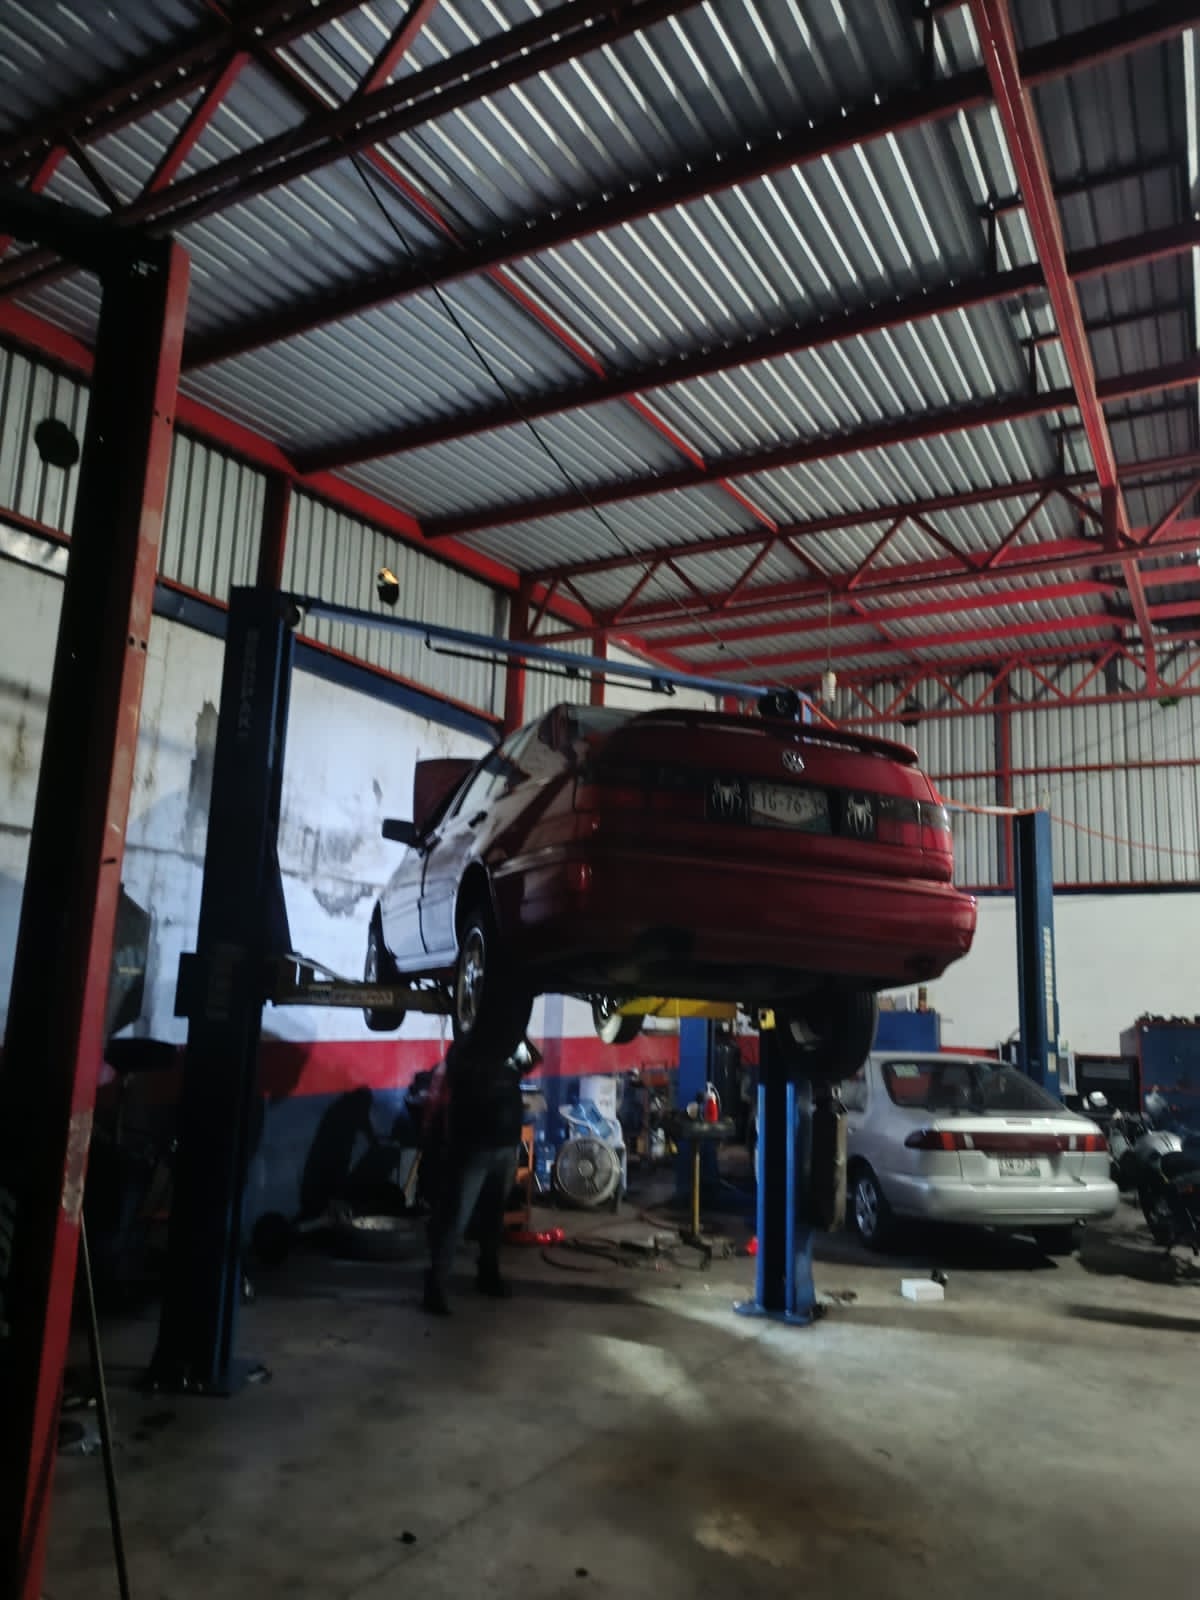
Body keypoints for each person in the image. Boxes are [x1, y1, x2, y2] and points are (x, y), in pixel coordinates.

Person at [422, 1035, 526, 1316]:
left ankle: (487, 1275)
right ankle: (435, 1287)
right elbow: (458, 1079)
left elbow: (531, 1061)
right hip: (473, 1147)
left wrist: (518, 1041)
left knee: (493, 1218)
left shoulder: (512, 1045)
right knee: (456, 1217)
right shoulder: (465, 1048)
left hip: (505, 1146)